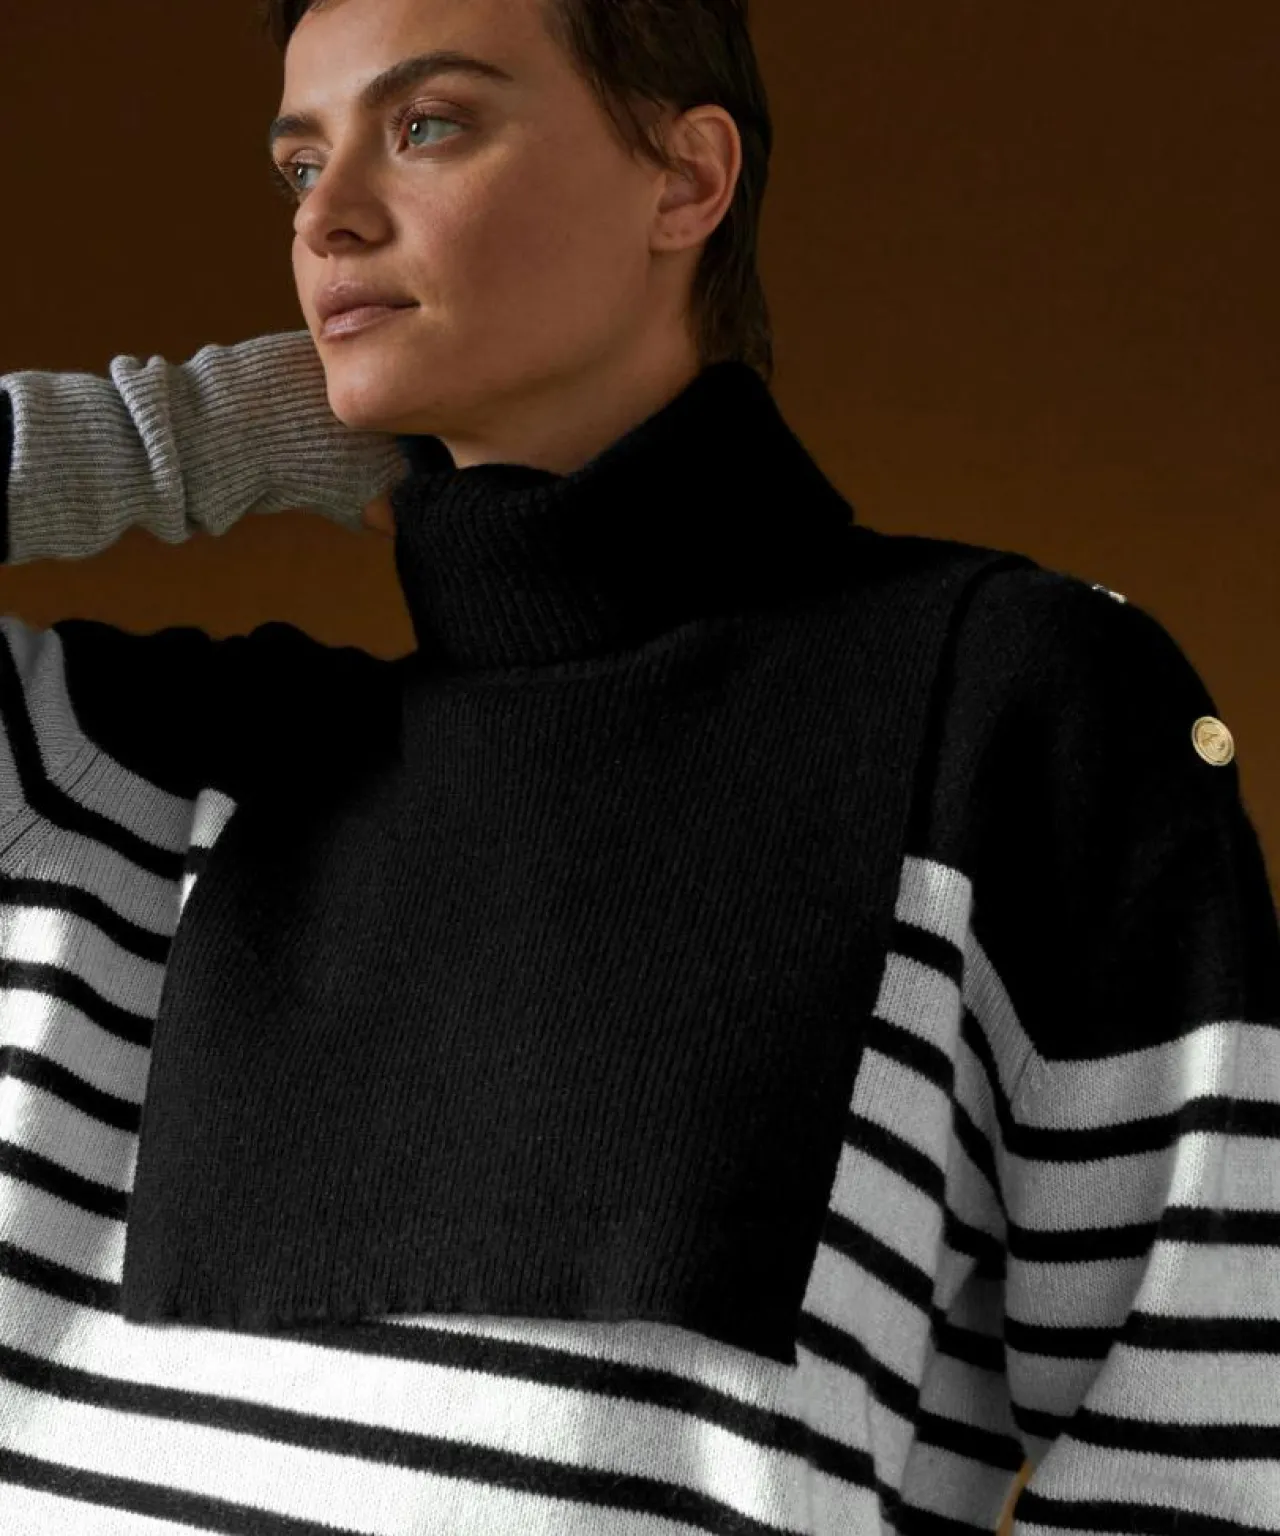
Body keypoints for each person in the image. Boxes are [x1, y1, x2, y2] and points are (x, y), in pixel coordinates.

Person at [2, 1, 1278, 1533]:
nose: (326, 216)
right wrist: (205, 435)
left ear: (686, 178)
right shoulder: (120, 767)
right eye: (299, 164)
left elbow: (1200, 1453)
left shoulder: (1000, 710)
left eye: (426, 125)